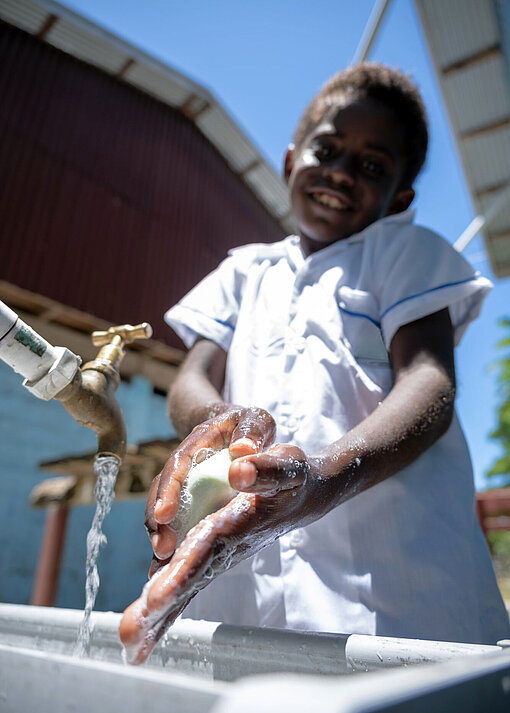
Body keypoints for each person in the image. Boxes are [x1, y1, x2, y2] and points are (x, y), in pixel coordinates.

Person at [119, 63, 510, 664]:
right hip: (246, 597)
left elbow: (429, 382)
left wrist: (325, 480)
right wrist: (217, 418)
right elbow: (190, 378)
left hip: (395, 599)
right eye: (326, 150)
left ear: (400, 196)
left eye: (372, 166)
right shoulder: (243, 272)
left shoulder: (406, 254)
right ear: (290, 160)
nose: (341, 173)